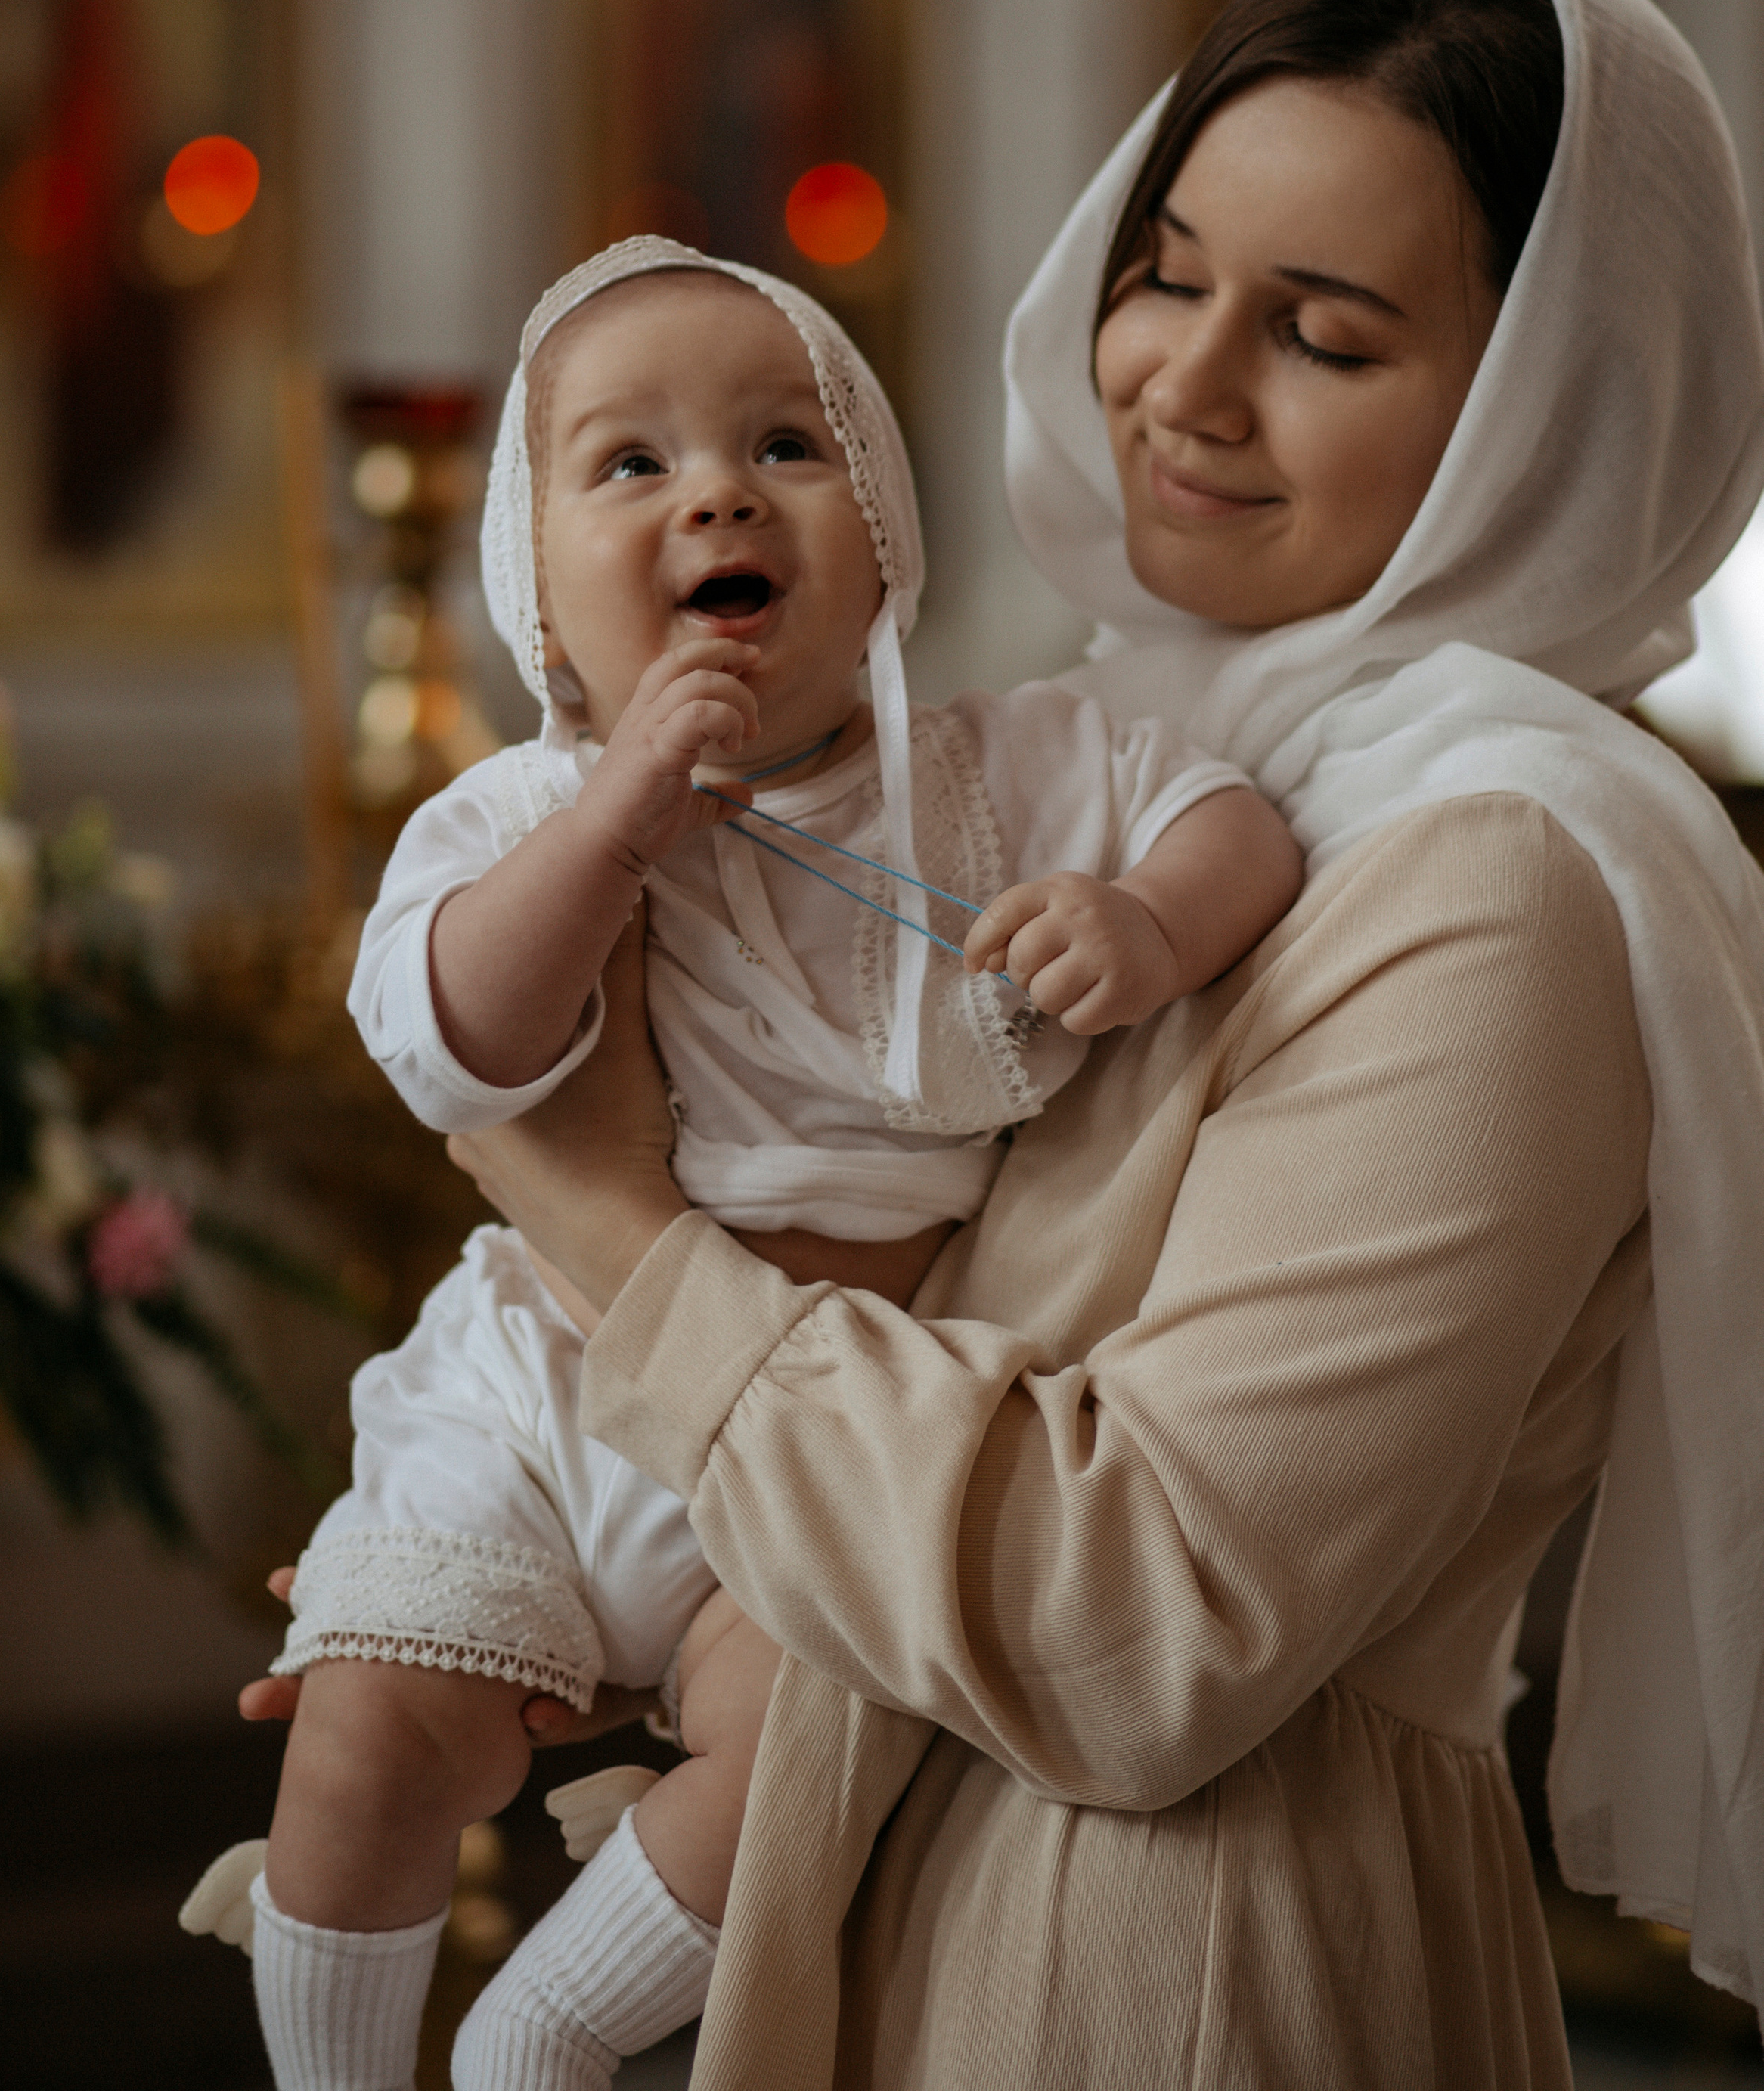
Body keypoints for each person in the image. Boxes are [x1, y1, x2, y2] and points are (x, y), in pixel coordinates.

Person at [448, 0, 1764, 2087]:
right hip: (899, 1856)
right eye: (1168, 272)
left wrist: (604, 1222)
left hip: (1178, 1966)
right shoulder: (1108, 750)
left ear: (1559, 402)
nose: (1184, 382)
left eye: (1325, 337)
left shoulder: (1507, 875)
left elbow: (1141, 1621)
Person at [199, 240, 1301, 2091]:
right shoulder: (520, 812)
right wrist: (618, 819)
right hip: (546, 1394)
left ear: (878, 543)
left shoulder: (999, 770)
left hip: (821, 1435)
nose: (715, 488)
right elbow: (443, 1039)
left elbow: (1230, 817)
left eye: (787, 444)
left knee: (799, 1746)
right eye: (627, 466)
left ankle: (541, 2036)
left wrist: (1149, 920)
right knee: (365, 1735)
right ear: (538, 605)